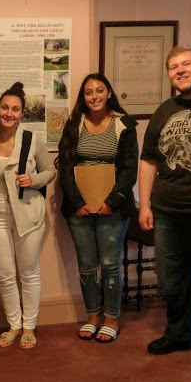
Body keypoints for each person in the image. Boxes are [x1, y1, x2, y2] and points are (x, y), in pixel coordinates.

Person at [55, 73, 138, 343]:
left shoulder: (124, 125)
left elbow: (129, 169)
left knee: (110, 264)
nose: (94, 97)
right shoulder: (74, 124)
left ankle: (111, 318)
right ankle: (92, 317)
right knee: (87, 265)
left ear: (109, 93)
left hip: (112, 208)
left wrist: (111, 203)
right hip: (78, 208)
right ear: (83, 97)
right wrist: (78, 203)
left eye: (99, 91)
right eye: (89, 92)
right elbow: (65, 166)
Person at [0, 83, 57, 349]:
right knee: (4, 274)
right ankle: (13, 325)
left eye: (15, 109)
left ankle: (29, 327)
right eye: (5, 107)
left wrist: (33, 179)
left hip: (28, 215)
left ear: (22, 113)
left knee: (28, 272)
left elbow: (50, 171)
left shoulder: (32, 139)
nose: (9, 113)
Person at [139, 45, 191, 355]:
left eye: (186, 63)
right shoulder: (164, 111)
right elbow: (148, 160)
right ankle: (180, 335)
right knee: (173, 278)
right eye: (174, 66)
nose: (180, 69)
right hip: (168, 212)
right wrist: (145, 204)